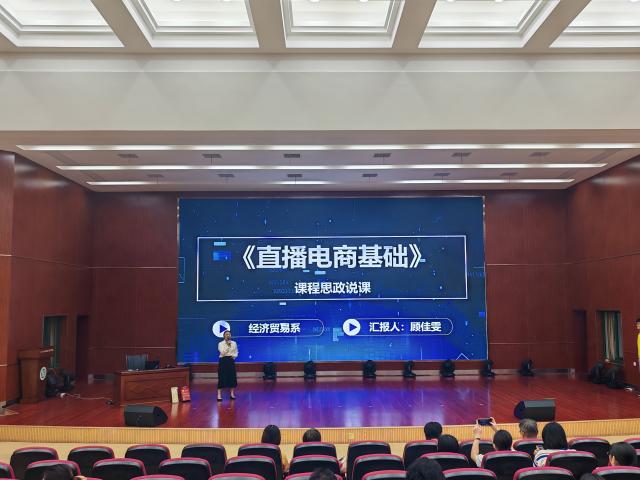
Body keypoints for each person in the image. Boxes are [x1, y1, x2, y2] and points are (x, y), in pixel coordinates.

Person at [217, 330, 238, 401]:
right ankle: (219, 395)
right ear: (224, 336)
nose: (228, 335)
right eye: (226, 334)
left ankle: (232, 394)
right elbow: (222, 353)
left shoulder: (234, 343)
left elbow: (236, 352)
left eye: (229, 334)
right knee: (221, 377)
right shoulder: (220, 343)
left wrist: (234, 356)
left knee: (232, 377)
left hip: (231, 360)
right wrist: (228, 346)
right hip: (223, 360)